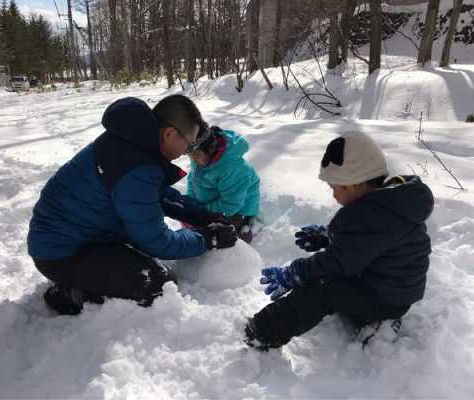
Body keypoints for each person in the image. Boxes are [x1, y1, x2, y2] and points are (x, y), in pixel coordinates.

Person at [28, 95, 238, 315]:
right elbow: (157, 241)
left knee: (143, 263)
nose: (188, 152)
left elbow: (157, 195)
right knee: (160, 284)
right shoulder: (137, 166)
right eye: (189, 144)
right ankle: (71, 294)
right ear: (169, 133)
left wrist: (202, 216)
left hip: (79, 235)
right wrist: (207, 238)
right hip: (62, 252)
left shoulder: (133, 143)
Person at [244, 132, 434, 350]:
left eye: (335, 187)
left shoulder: (370, 215)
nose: (333, 194)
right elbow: (371, 241)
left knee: (323, 287)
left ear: (353, 184)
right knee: (330, 277)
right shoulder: (389, 202)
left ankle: (263, 331)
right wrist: (329, 236)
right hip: (392, 288)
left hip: (384, 299)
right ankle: (374, 317)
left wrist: (294, 273)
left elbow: (339, 262)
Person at [186, 123, 260, 242]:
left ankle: (246, 229)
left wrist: (203, 211)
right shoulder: (201, 159)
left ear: (211, 148)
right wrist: (191, 204)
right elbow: (192, 181)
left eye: (196, 155)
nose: (194, 160)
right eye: (190, 155)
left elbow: (231, 205)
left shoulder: (232, 169)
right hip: (211, 205)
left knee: (225, 236)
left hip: (237, 210)